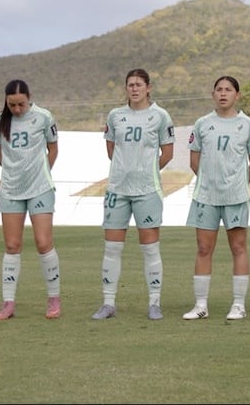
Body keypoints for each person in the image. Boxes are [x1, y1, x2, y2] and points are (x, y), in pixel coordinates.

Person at [93, 68, 176, 320]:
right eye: (130, 84)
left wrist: (146, 171)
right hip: (117, 189)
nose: (135, 88)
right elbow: (111, 150)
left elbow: (168, 153)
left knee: (150, 248)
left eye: (139, 84)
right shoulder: (115, 115)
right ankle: (108, 303)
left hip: (147, 191)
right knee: (112, 247)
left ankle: (154, 303)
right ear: (126, 88)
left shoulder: (160, 116)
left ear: (148, 87)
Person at [182, 76, 250, 321]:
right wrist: (210, 181)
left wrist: (235, 183)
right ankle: (201, 305)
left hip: (236, 197)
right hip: (205, 196)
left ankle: (238, 304)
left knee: (238, 247)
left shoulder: (247, 125)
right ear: (213, 94)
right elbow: (194, 160)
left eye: (229, 90)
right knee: (204, 249)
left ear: (237, 95)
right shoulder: (202, 124)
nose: (223, 93)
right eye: (219, 89)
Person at [0, 79, 62, 320]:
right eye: (12, 105)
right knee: (12, 245)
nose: (17, 109)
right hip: (11, 190)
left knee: (43, 243)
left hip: (40, 188)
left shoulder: (43, 117)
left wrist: (42, 173)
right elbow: (2, 158)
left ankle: (54, 298)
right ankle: (8, 303)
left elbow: (53, 149)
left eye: (21, 104)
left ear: (29, 98)